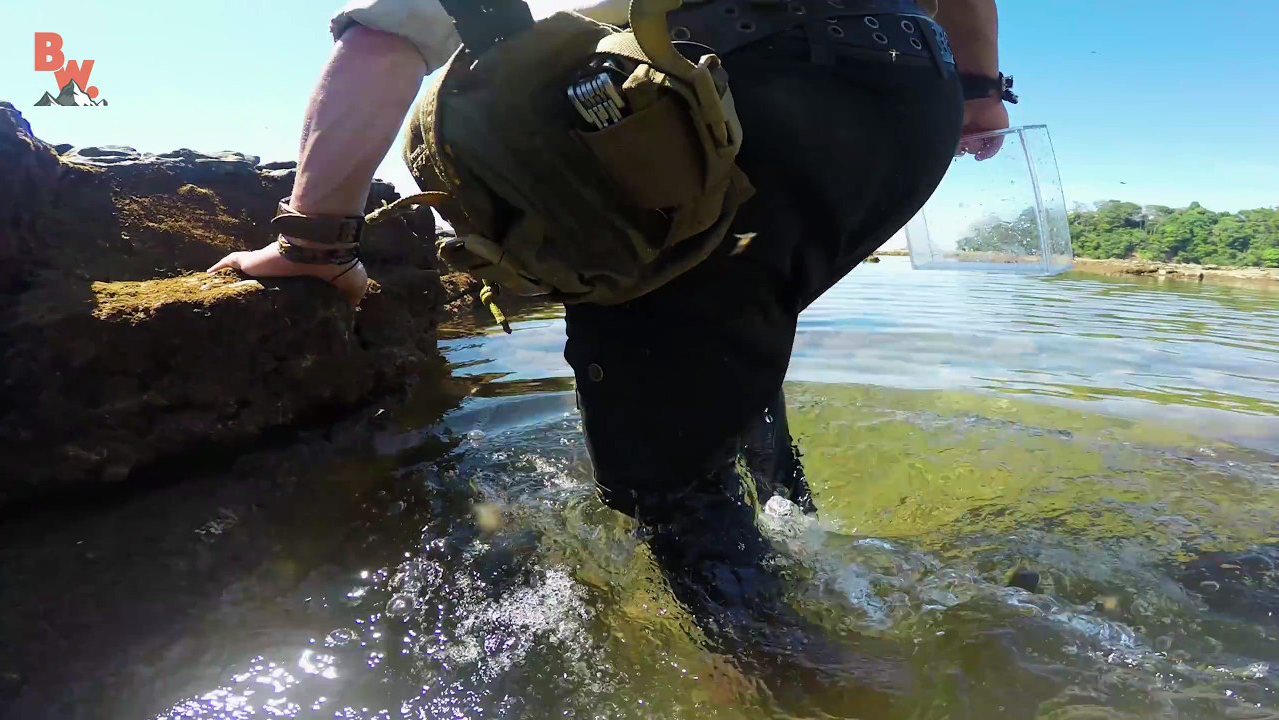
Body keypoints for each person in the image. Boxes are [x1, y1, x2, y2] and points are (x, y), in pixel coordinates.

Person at [210, 0, 1013, 701]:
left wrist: (314, 240)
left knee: (675, 482)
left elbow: (382, 42)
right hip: (912, 102)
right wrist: (979, 92)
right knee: (729, 323)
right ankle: (791, 526)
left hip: (726, 98)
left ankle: (808, 684)